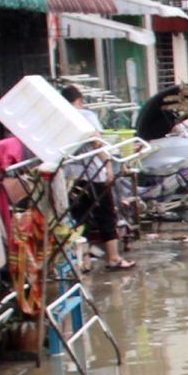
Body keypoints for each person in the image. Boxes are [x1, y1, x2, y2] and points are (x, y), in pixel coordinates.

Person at [57, 83, 132, 271]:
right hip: (94, 174)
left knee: (79, 218)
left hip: (71, 176)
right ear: (79, 100)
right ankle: (113, 258)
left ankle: (85, 261)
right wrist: (108, 165)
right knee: (106, 214)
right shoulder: (86, 116)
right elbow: (97, 143)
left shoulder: (59, 119)